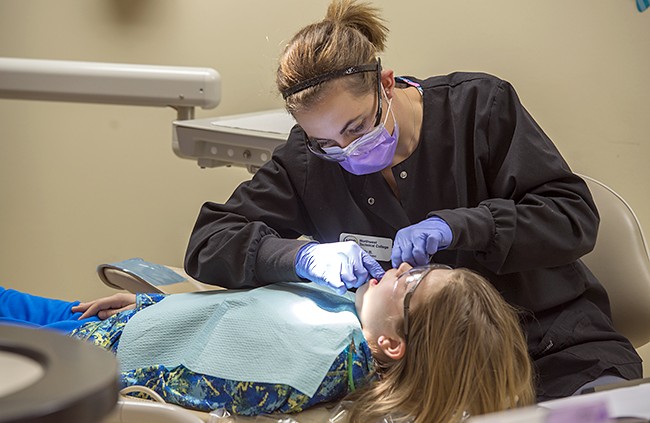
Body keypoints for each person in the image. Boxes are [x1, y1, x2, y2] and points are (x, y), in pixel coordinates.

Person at [183, 0, 642, 401]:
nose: (346, 153)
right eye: (325, 142)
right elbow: (210, 242)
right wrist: (301, 256)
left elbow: (572, 217)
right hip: (429, 377)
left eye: (356, 128)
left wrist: (463, 226)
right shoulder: (307, 161)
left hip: (552, 349)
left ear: (386, 83)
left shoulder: (479, 110)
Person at [0, 264, 534, 422]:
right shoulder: (343, 311)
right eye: (422, 265)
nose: (400, 269)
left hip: (85, 351)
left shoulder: (313, 362)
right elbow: (224, 311)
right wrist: (152, 305)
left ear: (393, 344)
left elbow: (181, 380)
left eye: (412, 284)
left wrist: (139, 327)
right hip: (114, 321)